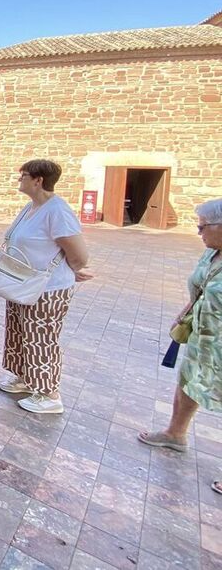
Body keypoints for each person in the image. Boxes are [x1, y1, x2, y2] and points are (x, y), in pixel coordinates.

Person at [138, 199, 222, 497]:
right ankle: (176, 433)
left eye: (202, 226)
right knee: (189, 380)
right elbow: (200, 285)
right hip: (205, 335)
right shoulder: (212, 254)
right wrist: (187, 309)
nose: (199, 232)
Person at [0, 159, 93, 414]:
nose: (19, 179)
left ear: (38, 180)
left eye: (24, 175)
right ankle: (27, 379)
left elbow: (79, 255)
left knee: (41, 338)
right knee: (20, 332)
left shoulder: (57, 211)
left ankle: (49, 393)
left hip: (47, 288)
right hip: (22, 283)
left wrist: (73, 269)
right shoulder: (32, 207)